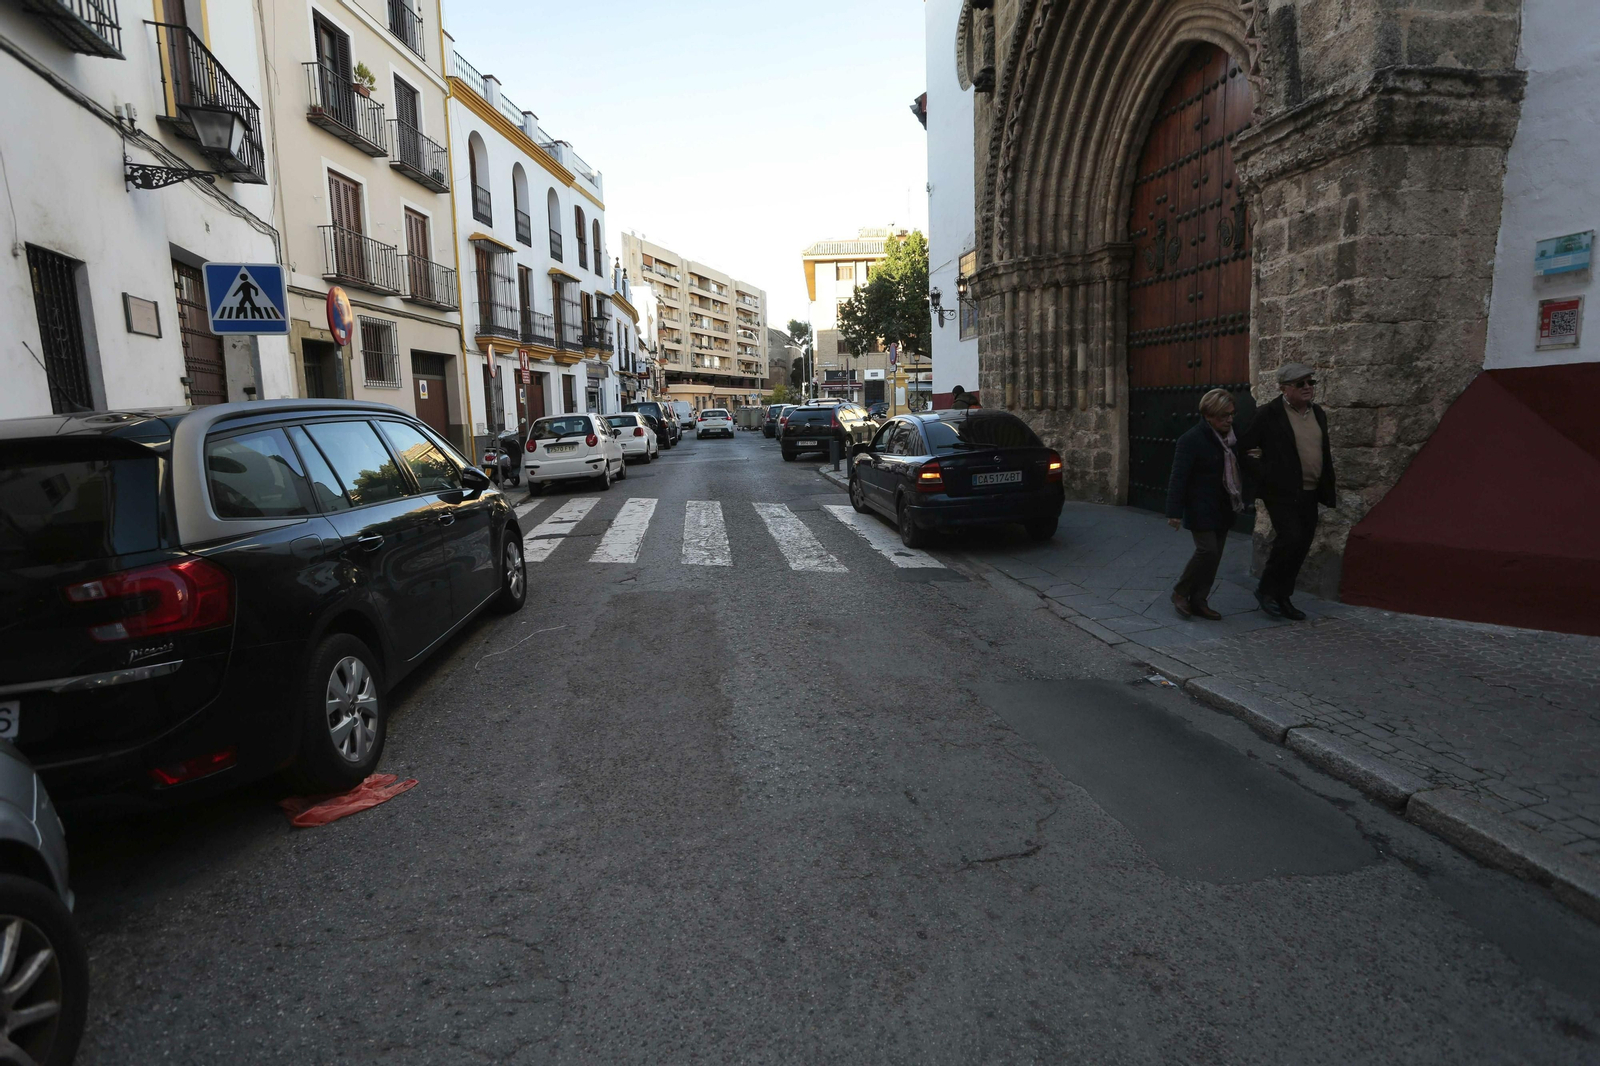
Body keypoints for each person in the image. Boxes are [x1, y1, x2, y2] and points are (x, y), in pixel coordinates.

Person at [1236, 362, 1337, 621]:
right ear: (1284, 388)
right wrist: (1267, 476)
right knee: (1289, 538)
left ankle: (1284, 596)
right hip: (1281, 492)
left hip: (1310, 491)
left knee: (1302, 544)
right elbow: (1245, 449)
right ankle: (1266, 591)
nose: (1307, 388)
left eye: (1310, 383)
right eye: (1300, 383)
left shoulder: (1318, 413)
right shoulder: (1268, 414)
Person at [1165, 389, 1244, 620]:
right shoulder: (1191, 440)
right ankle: (1180, 592)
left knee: (1216, 555)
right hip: (1200, 506)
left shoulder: (1233, 437)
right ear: (1209, 415)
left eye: (1231, 414)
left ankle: (1199, 599)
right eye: (1224, 416)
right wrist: (1174, 512)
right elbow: (1178, 477)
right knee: (1207, 550)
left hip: (1224, 504)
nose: (1229, 420)